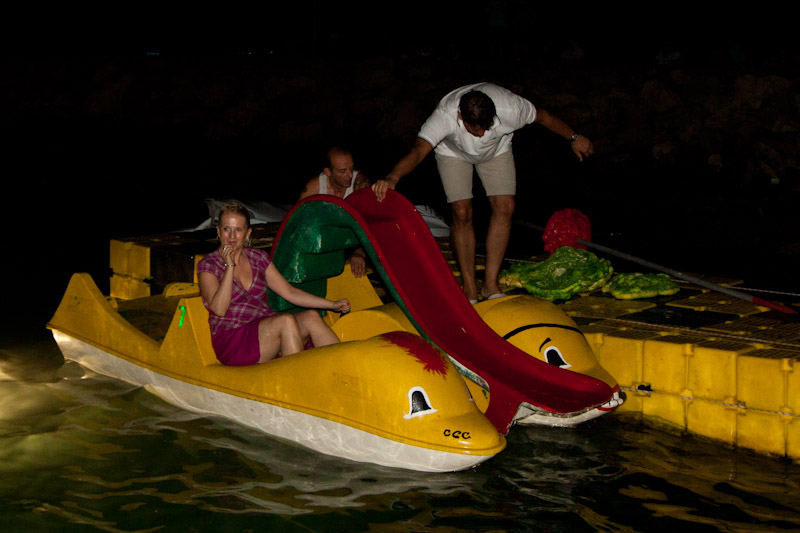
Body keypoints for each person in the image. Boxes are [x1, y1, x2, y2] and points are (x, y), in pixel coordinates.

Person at [372, 82, 594, 303]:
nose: (480, 134)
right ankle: (469, 288)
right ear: (460, 115)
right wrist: (392, 177)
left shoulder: (511, 108)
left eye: (485, 127)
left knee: (506, 207)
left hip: (497, 151)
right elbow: (419, 151)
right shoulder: (444, 116)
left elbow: (544, 116)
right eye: (474, 128)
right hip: (453, 154)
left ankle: (490, 284)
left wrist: (574, 138)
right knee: (461, 212)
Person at [198, 201, 350, 366]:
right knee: (285, 321)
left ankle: (342, 371)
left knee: (312, 317)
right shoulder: (209, 265)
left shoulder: (258, 258)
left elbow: (289, 292)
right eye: (227, 229)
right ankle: (296, 383)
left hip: (265, 328)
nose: (232, 237)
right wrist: (229, 266)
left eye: (238, 230)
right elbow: (219, 310)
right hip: (232, 339)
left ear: (247, 233)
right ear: (219, 231)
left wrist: (331, 304)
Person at [298, 147, 371, 277]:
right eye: (343, 171)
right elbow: (297, 222)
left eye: (351, 168)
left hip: (355, 243)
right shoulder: (314, 187)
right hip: (325, 243)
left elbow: (371, 225)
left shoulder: (360, 184)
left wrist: (359, 252)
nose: (350, 175)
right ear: (328, 172)